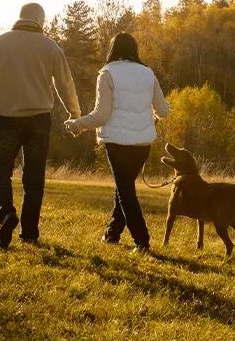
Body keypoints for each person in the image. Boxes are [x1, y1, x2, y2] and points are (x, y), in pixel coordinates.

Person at [0, 2, 80, 249]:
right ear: (40, 21)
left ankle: (6, 214)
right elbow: (65, 84)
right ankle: (30, 232)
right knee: (34, 177)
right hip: (39, 120)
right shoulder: (50, 47)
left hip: (6, 119)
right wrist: (74, 113)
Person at [66, 32, 170, 252]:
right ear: (134, 50)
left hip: (117, 143)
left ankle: (142, 242)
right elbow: (163, 110)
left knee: (125, 192)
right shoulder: (148, 73)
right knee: (124, 188)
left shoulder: (107, 73)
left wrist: (77, 124)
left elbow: (101, 115)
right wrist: (148, 115)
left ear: (112, 49)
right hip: (143, 144)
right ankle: (112, 234)